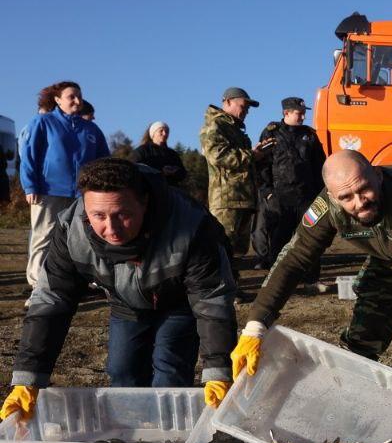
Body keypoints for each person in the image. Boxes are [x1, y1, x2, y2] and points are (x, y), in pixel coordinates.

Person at [231, 151, 392, 424]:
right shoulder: (327, 206)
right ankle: (352, 414)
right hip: (390, 256)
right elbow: (295, 258)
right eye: (346, 197)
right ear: (333, 197)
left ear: (378, 176)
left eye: (364, 189)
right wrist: (255, 326)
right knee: (363, 335)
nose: (359, 202)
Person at [0, 158, 236, 422]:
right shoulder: (70, 229)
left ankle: (169, 437)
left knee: (169, 371)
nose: (111, 229)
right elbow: (53, 299)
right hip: (125, 302)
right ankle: (130, 433)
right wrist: (28, 377)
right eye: (98, 216)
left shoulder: (190, 224)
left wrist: (219, 370)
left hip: (179, 301)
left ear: (144, 202)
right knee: (122, 370)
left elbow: (211, 299)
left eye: (122, 215)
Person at [19, 81, 109, 293]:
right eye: (71, 97)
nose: (77, 101)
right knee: (44, 237)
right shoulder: (42, 122)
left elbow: (104, 161)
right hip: (47, 191)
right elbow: (29, 156)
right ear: (58, 100)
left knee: (82, 238)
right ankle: (38, 287)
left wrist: (103, 189)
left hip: (82, 194)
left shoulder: (91, 129)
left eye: (80, 96)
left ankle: (79, 282)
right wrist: (30, 186)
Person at [253, 97, 326, 276]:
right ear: (286, 113)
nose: (303, 117)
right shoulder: (272, 133)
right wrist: (268, 192)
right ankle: (277, 278)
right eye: (299, 113)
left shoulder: (309, 135)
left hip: (306, 196)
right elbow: (263, 165)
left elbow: (319, 165)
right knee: (279, 239)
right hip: (281, 196)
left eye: (304, 113)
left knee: (311, 237)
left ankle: (312, 279)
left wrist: (321, 193)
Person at [200, 87, 273, 260]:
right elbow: (217, 155)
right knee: (222, 249)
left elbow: (243, 161)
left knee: (237, 252)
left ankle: (232, 277)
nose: (246, 111)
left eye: (248, 108)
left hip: (243, 199)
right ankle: (222, 278)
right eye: (243, 106)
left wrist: (258, 153)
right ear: (228, 102)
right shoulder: (215, 125)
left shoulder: (235, 129)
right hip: (227, 201)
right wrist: (252, 155)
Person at [130, 121, 187, 186]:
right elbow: (135, 170)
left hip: (171, 189)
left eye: (167, 132)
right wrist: (161, 171)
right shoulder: (142, 151)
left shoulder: (173, 154)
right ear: (153, 133)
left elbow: (183, 174)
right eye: (161, 131)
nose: (164, 134)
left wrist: (175, 171)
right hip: (148, 188)